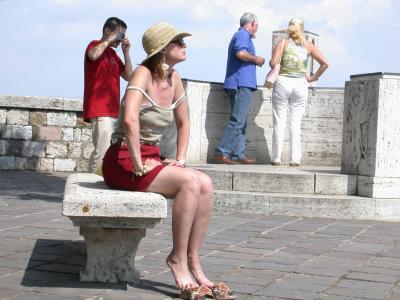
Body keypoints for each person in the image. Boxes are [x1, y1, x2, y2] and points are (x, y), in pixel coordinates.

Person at [101, 22, 236, 299]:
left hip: (151, 155)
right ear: (162, 49)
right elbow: (129, 118)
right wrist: (138, 164)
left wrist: (180, 159)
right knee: (189, 183)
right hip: (124, 158)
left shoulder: (174, 78)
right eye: (179, 42)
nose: (185, 47)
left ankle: (194, 263)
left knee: (205, 183)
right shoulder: (142, 74)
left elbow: (184, 122)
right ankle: (177, 260)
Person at [269, 18, 328, 166]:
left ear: (289, 28)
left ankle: (276, 157)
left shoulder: (282, 43)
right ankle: (295, 158)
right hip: (300, 84)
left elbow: (272, 63)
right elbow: (325, 63)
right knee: (295, 123)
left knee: (279, 122)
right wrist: (313, 77)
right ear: (302, 29)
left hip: (282, 82)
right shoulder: (308, 46)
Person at [213, 12, 265, 165]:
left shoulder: (241, 35)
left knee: (242, 121)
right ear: (253, 24)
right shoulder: (243, 34)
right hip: (240, 83)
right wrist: (257, 59)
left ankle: (238, 154)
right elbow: (241, 53)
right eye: (257, 25)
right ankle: (222, 152)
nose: (257, 28)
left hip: (240, 82)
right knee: (237, 120)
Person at [83, 17, 133, 173]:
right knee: (102, 152)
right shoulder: (94, 45)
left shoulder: (113, 55)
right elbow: (93, 55)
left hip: (113, 111)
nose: (120, 39)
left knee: (106, 152)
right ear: (107, 31)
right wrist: (110, 39)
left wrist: (126, 53)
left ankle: (93, 187)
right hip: (100, 110)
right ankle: (89, 191)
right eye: (119, 34)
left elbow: (129, 76)